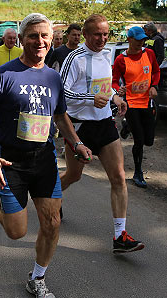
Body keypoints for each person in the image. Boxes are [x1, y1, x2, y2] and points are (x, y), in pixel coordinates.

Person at [0, 13, 92, 298]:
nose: (39, 41)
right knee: (16, 232)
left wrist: (76, 143)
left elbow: (60, 116)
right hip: (10, 160)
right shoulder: (4, 75)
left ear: (52, 39)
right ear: (22, 39)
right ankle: (2, 199)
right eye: (33, 36)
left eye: (44, 36)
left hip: (44, 158)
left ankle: (37, 278)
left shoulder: (52, 76)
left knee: (52, 222)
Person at [60, 14, 144, 253]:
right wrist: (90, 98)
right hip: (79, 127)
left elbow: (105, 86)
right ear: (85, 34)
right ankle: (52, 195)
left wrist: (115, 96)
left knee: (118, 177)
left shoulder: (107, 53)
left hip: (105, 123)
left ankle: (120, 236)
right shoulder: (73, 58)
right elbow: (62, 94)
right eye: (97, 34)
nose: (102, 38)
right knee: (73, 176)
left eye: (105, 34)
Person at [112, 27, 160, 188]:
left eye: (143, 39)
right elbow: (114, 80)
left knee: (149, 141)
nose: (141, 42)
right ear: (130, 39)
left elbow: (156, 72)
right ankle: (138, 172)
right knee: (139, 141)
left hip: (147, 102)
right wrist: (118, 90)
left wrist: (154, 85)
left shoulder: (149, 54)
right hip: (131, 104)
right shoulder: (121, 60)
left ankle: (126, 127)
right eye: (138, 39)